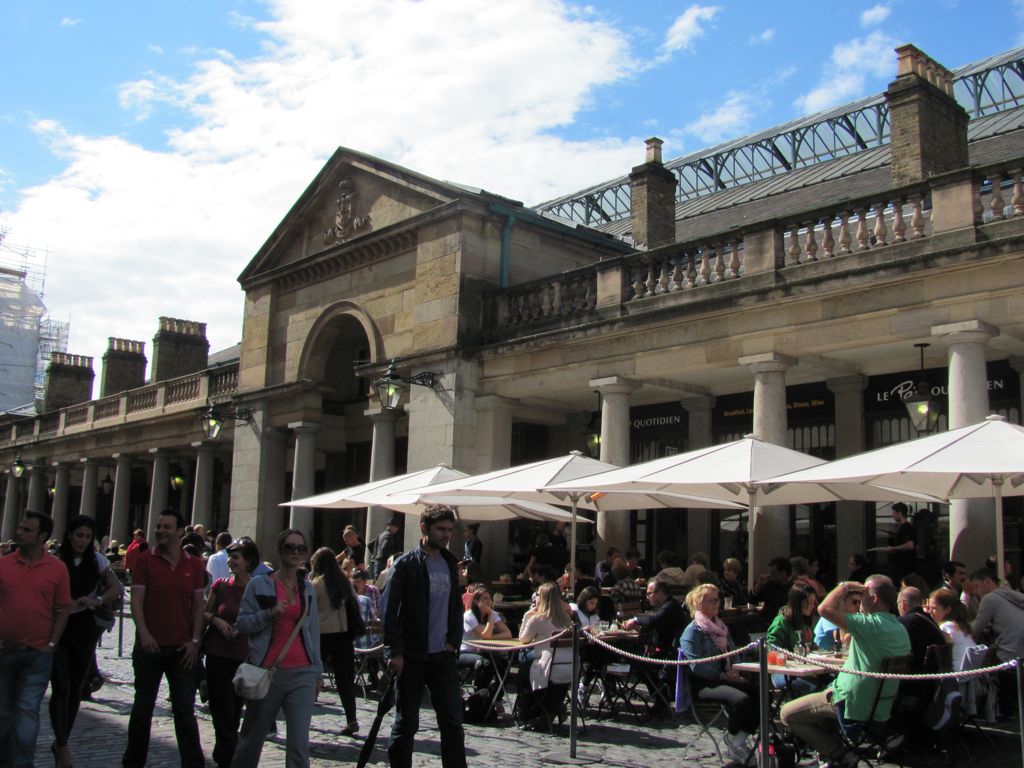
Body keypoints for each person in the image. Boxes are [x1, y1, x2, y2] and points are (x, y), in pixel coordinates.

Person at [780, 576, 910, 767]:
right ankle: (832, 756)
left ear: (874, 599)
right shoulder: (900, 628)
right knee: (819, 696)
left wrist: (844, 587)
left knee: (786, 713)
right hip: (881, 705)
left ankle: (839, 754)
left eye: (863, 595)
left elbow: (823, 609)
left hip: (852, 701)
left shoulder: (869, 624)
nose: (860, 600)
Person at [383, 506, 466, 768]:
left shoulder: (451, 563)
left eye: (449, 530)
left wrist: (454, 640)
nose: (446, 535)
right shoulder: (405, 565)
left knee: (453, 722)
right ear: (424, 528)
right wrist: (394, 652)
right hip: (412, 656)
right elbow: (389, 612)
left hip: (443, 655)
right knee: (406, 723)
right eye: (440, 529)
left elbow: (456, 605)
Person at [123, 508, 206, 768]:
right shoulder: (145, 560)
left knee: (184, 710)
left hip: (182, 649)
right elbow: (137, 601)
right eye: (158, 526)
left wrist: (195, 641)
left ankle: (193, 763)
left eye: (166, 527)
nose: (160, 531)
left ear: (180, 531)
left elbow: (197, 606)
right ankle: (133, 762)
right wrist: (144, 634)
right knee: (143, 707)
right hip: (150, 647)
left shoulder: (194, 564)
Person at [233, 529, 322, 767]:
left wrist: (317, 671)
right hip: (267, 670)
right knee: (252, 739)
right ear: (279, 550)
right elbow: (242, 623)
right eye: (289, 547)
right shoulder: (260, 584)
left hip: (303, 671)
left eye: (300, 548)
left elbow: (313, 632)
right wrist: (269, 614)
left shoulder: (308, 589)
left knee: (299, 744)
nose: (295, 552)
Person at [48, 515, 121, 768]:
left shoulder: (97, 560)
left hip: (84, 627)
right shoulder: (56, 559)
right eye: (79, 535)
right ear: (70, 535)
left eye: (88, 536)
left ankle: (62, 740)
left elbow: (115, 587)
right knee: (60, 686)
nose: (83, 540)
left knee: (77, 686)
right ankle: (63, 744)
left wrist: (98, 600)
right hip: (58, 628)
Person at [0, 512, 71, 768]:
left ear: (42, 537)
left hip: (38, 654)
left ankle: (20, 764)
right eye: (20, 527)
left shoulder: (56, 568)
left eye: (26, 530)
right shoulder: (4, 564)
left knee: (27, 712)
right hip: (5, 651)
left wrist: (51, 644)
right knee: (4, 714)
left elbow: (63, 608)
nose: (19, 532)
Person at [680, 583, 759, 764]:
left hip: (727, 678)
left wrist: (737, 670)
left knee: (762, 695)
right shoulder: (692, 632)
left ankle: (738, 739)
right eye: (712, 600)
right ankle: (732, 739)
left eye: (718, 599)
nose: (718, 603)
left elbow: (733, 653)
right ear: (699, 604)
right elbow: (696, 666)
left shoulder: (721, 627)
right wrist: (722, 676)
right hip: (705, 683)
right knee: (742, 700)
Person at [203, 537, 258, 768]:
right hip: (218, 655)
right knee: (221, 710)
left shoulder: (257, 589)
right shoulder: (221, 586)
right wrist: (217, 621)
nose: (230, 561)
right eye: (230, 557)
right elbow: (205, 613)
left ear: (248, 561)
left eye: (235, 557)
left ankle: (224, 753)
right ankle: (227, 759)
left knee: (234, 712)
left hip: (244, 658)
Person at [309, 547, 360, 736]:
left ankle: (303, 714)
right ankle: (351, 718)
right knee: (345, 681)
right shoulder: (345, 582)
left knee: (310, 674)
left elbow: (309, 611)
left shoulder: (317, 584)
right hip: (344, 634)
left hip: (322, 634)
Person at [970, 566, 1024, 718]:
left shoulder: (990, 598)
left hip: (1011, 654)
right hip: (1021, 651)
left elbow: (975, 629)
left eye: (976, 586)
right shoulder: (1014, 594)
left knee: (984, 667)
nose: (975, 592)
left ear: (987, 582)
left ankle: (988, 712)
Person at [767, 584, 821, 695]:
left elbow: (811, 645)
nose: (812, 606)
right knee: (815, 689)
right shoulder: (782, 621)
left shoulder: (805, 622)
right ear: (798, 602)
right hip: (785, 672)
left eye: (813, 602)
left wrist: (816, 649)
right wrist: (792, 656)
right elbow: (771, 647)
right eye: (809, 602)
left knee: (830, 682)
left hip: (806, 670)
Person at [459, 587, 511, 689]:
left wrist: (491, 636)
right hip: (466, 651)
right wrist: (491, 615)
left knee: (503, 664)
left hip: (483, 651)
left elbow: (507, 633)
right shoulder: (469, 616)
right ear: (476, 601)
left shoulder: (492, 614)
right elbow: (485, 635)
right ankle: (479, 695)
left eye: (490, 599)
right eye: (485, 598)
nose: (489, 601)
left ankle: (496, 697)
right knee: (486, 664)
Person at [927, 588, 974, 672]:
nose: (929, 611)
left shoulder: (946, 627)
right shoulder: (962, 625)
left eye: (934, 608)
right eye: (928, 608)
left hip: (956, 676)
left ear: (947, 610)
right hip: (969, 674)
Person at [749, 556, 793, 630]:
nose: (770, 575)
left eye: (773, 572)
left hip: (783, 625)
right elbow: (752, 600)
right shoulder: (769, 585)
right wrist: (758, 586)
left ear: (783, 573)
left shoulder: (793, 589)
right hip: (765, 622)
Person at [885, 502, 917, 581]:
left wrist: (893, 548)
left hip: (905, 567)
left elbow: (910, 545)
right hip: (900, 566)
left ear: (899, 513)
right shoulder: (901, 527)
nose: (893, 515)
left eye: (894, 512)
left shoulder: (907, 527)